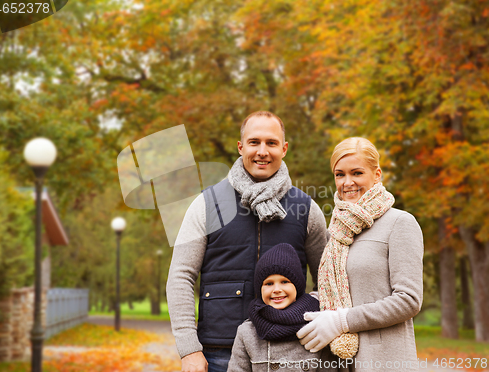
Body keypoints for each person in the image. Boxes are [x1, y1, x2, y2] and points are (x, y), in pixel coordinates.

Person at [167, 111, 328, 372]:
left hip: (290, 351)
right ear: (241, 147)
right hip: (219, 352)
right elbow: (180, 276)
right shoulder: (206, 205)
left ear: (284, 149)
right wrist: (189, 349)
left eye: (271, 143)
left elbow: (329, 280)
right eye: (254, 142)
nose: (262, 151)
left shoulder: (307, 208)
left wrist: (316, 322)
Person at [296, 137, 423, 372]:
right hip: (338, 363)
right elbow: (332, 291)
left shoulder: (400, 223)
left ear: (377, 175)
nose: (347, 182)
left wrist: (342, 321)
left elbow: (409, 300)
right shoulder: (335, 231)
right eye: (339, 174)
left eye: (357, 173)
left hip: (384, 362)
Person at [227, 243, 338, 372]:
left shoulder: (317, 326)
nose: (277, 289)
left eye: (285, 282)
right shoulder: (247, 332)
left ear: (297, 286)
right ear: (260, 290)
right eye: (269, 283)